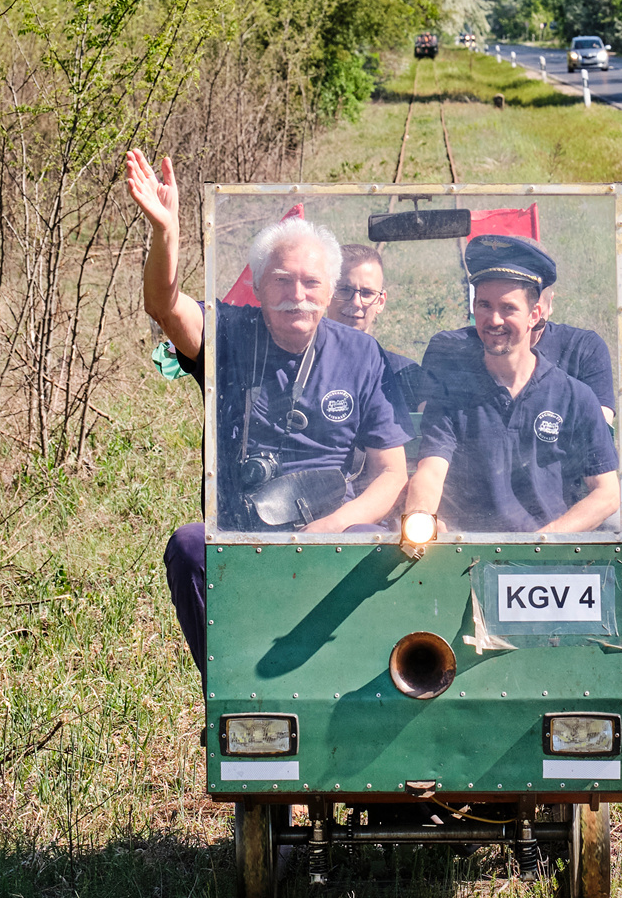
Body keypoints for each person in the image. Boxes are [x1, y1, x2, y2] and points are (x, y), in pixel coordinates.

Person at [126, 148, 410, 674]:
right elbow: (164, 305)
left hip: (332, 522)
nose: (296, 295)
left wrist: (338, 523)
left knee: (373, 544)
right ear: (257, 286)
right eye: (281, 280)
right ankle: (231, 681)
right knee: (189, 544)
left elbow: (392, 472)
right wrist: (166, 230)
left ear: (330, 291)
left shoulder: (361, 352)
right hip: (243, 525)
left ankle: (354, 682)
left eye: (310, 283)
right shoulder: (229, 334)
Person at [402, 237, 619, 535]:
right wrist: (421, 516)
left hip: (549, 555)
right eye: (484, 305)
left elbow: (606, 494)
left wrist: (547, 540)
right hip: (466, 548)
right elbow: (431, 471)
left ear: (534, 315)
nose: (494, 319)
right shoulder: (453, 395)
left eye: (508, 308)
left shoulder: (574, 397)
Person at [420, 234, 615, 424]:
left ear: (541, 308)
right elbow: (428, 424)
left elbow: (599, 430)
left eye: (512, 308)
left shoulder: (584, 350)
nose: (497, 321)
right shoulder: (448, 348)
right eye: (486, 305)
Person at [331, 243, 430, 412]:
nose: (356, 302)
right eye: (344, 290)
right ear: (326, 292)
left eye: (367, 293)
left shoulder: (406, 374)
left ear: (381, 302)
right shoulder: (300, 365)